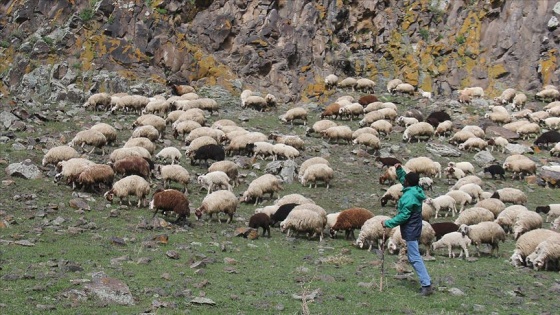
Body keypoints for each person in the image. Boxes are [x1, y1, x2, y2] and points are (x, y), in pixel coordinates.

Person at [381, 163, 433, 296]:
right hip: (414, 227)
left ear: (408, 182)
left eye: (405, 180)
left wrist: (388, 222)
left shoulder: (409, 197)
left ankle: (426, 285)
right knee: (412, 255)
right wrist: (399, 170)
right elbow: (405, 180)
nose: (403, 181)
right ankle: (426, 282)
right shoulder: (415, 189)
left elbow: (404, 216)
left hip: (411, 228)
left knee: (414, 257)